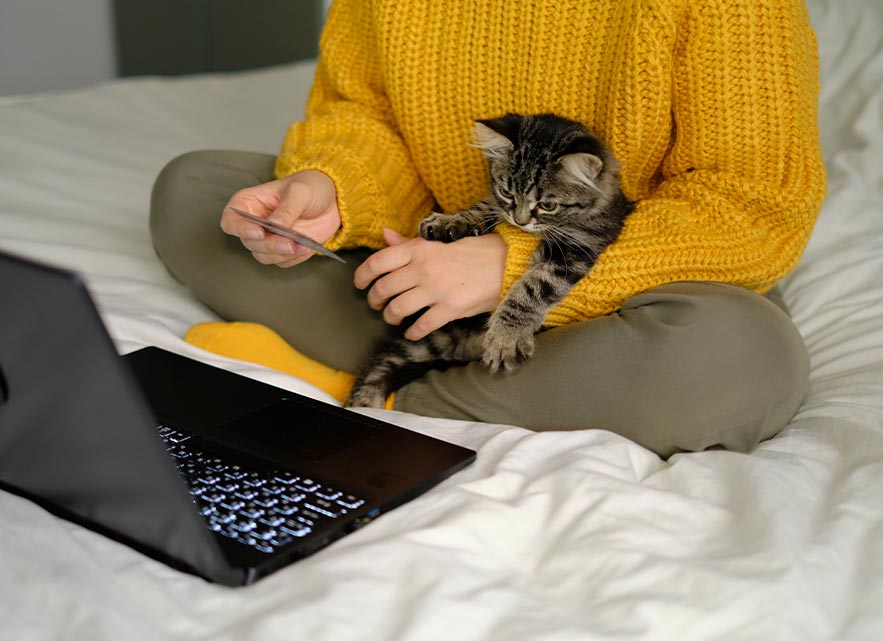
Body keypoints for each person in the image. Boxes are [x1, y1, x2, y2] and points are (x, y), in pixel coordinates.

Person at [149, 0, 826, 459]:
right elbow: (366, 111)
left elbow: (751, 202)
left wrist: (509, 263)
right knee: (194, 195)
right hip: (437, 256)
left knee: (743, 356)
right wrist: (330, 187)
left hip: (625, 289)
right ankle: (438, 369)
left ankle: (384, 387)